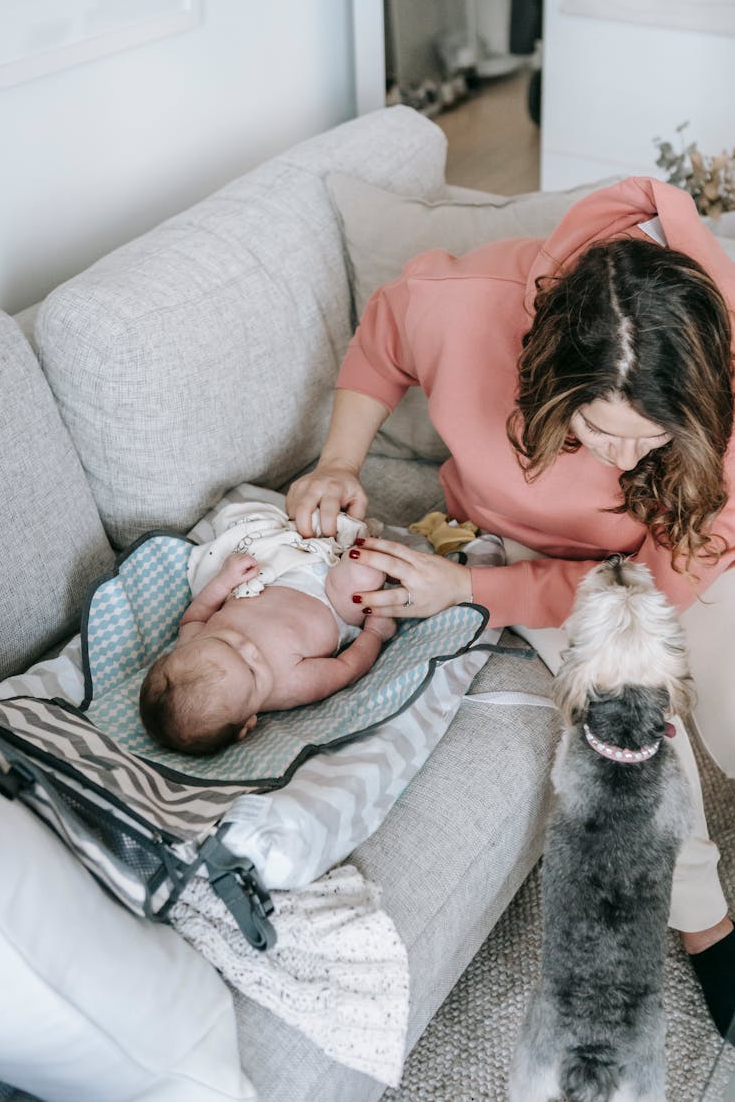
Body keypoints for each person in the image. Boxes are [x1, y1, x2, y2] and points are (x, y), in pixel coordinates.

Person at [286, 176, 735, 1038]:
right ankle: (710, 928)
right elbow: (384, 334)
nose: (626, 454)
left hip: (675, 546)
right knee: (626, 713)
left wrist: (467, 593)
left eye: (653, 436)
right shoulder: (471, 306)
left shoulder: (723, 400)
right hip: (524, 550)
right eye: (606, 429)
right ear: (554, 374)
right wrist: (340, 459)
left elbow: (642, 589)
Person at [140, 502, 394, 755]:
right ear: (248, 723)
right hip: (334, 602)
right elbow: (347, 668)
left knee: (262, 519)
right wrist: (374, 634)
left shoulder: (192, 643)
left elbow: (194, 617)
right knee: (367, 567)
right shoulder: (292, 687)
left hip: (277, 573)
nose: (249, 648)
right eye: (251, 671)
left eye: (227, 643)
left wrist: (224, 580)